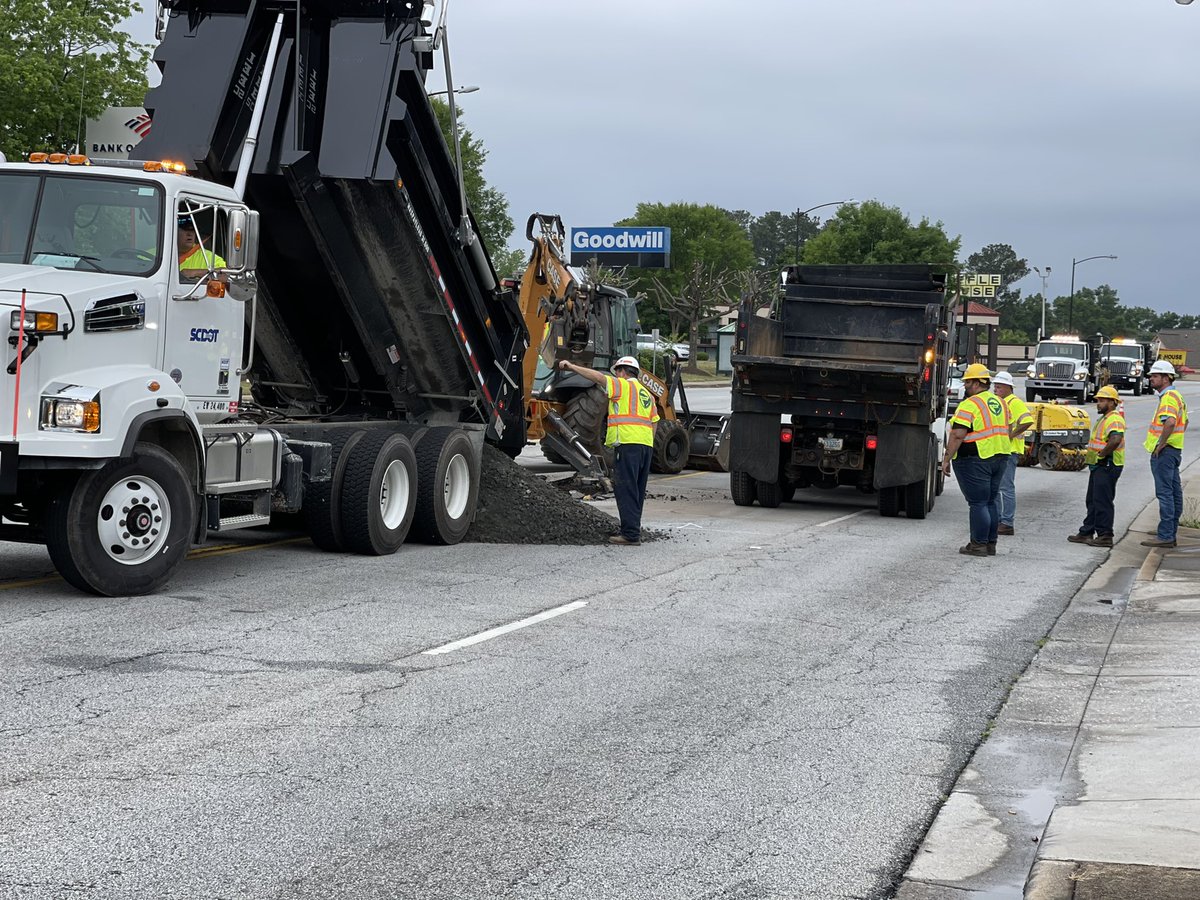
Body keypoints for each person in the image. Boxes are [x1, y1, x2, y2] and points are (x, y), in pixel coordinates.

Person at [557, 354, 659, 545]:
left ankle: (629, 535)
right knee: (636, 490)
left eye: (617, 372)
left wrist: (571, 366)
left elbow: (597, 377)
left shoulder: (623, 385)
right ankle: (633, 529)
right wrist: (647, 443)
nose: (616, 375)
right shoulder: (648, 395)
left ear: (622, 371)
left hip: (628, 446)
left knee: (625, 489)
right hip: (645, 447)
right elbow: (655, 421)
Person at [941, 363, 1011, 557]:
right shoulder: (1001, 402)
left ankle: (978, 544)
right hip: (1001, 457)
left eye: (967, 382)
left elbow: (957, 435)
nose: (964, 386)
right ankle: (990, 544)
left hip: (977, 458)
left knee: (978, 503)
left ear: (976, 382)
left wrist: (947, 458)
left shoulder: (969, 404)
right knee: (990, 501)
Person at [1068, 385, 1126, 548]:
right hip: (1100, 465)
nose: (1098, 404)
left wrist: (1101, 455)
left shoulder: (1114, 419)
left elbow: (1115, 440)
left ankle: (1105, 535)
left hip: (1108, 464)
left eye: (1102, 401)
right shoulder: (1106, 418)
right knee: (1093, 500)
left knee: (1102, 501)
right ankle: (1087, 532)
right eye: (1098, 400)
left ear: (1113, 402)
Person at [1141, 359, 1189, 549]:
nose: (1151, 378)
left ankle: (1166, 535)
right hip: (1175, 450)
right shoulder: (1177, 396)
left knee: (1165, 493)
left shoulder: (1168, 397)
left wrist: (1161, 444)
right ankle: (1170, 531)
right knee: (1174, 492)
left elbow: (1169, 423)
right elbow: (1184, 423)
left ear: (1166, 378)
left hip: (1165, 453)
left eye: (1155, 375)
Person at [991, 370, 1033, 536]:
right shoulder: (1001, 402)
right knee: (998, 487)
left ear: (1009, 387)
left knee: (1006, 487)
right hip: (1002, 450)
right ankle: (1000, 520)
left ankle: (1007, 522)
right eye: (995, 386)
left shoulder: (1013, 402)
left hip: (1010, 450)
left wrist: (1011, 435)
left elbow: (1027, 421)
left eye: (999, 387)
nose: (995, 389)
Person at [177, 216, 226, 281]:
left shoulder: (207, 256)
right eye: (185, 229)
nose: (190, 234)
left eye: (193, 230)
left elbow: (227, 275)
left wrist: (196, 273)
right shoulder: (161, 253)